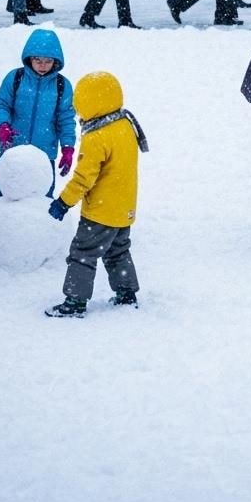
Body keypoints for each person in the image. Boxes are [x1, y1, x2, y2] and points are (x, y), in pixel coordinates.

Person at [45, 71, 147, 318]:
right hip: (124, 207)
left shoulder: (96, 136)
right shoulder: (124, 124)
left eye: (79, 104)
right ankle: (126, 293)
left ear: (92, 103)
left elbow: (84, 178)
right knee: (118, 250)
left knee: (83, 254)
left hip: (100, 211)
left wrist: (64, 202)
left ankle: (75, 301)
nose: (77, 110)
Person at [0, 28, 76, 198]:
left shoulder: (61, 85)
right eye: (37, 60)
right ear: (29, 58)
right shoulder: (16, 78)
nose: (42, 65)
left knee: (40, 202)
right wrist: (3, 126)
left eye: (48, 61)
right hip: (13, 151)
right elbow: (1, 104)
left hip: (43, 156)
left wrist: (68, 148)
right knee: (4, 199)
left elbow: (66, 119)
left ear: (56, 60)